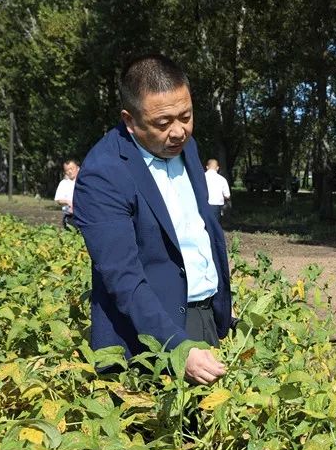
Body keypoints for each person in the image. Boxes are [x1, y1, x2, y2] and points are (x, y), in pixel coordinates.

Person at [73, 54, 231, 386]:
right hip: (145, 340)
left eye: (186, 116)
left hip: (202, 318)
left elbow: (199, 229)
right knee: (160, 436)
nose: (178, 131)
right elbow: (124, 279)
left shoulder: (186, 147)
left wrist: (218, 309)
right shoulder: (103, 174)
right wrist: (177, 347)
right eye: (163, 123)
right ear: (130, 120)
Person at [54, 159, 79, 230]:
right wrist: (68, 202)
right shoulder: (63, 183)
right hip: (71, 218)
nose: (70, 171)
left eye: (72, 168)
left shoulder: (84, 181)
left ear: (77, 168)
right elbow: (58, 200)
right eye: (67, 170)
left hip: (85, 217)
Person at [204, 158, 231, 222]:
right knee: (215, 226)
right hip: (216, 206)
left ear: (207, 167)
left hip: (203, 205)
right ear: (217, 168)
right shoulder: (222, 179)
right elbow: (227, 195)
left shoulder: (201, 177)